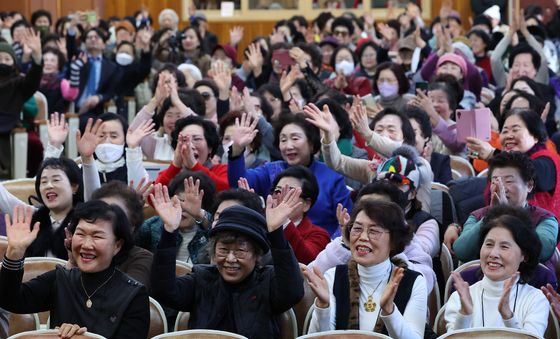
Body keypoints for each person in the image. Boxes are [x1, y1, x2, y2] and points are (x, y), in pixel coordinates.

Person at [150, 184, 304, 339]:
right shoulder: (202, 279)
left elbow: (292, 292)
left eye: (240, 251)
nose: (230, 259)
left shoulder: (267, 282)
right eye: (223, 250)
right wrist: (169, 232)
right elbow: (164, 291)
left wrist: (277, 233)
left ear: (256, 254)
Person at [0, 202, 150, 338]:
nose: (86, 244)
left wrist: (83, 338)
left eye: (97, 236)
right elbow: (10, 300)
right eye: (80, 234)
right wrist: (15, 252)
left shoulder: (133, 294)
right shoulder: (61, 278)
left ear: (117, 245)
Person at [304, 200, 427, 338]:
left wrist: (389, 311)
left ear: (394, 240)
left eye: (373, 231)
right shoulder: (333, 276)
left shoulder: (413, 282)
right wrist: (323, 306)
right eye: (357, 228)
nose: (362, 237)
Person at [227, 113, 353, 237]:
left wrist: (330, 250)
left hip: (321, 248)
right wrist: (237, 149)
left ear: (311, 143)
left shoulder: (331, 176)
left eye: (295, 138)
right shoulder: (271, 170)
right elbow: (239, 183)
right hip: (276, 244)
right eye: (283, 140)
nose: (288, 146)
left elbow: (345, 220)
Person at [444, 205, 549, 337]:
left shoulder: (535, 299)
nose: (493, 254)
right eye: (489, 244)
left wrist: (508, 317)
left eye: (504, 246)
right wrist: (465, 315)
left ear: (524, 255)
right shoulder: (460, 298)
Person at [444, 151, 558, 265]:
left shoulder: (545, 219)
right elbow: (462, 252)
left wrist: (506, 214)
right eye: (495, 181)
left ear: (529, 185)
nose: (502, 188)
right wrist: (492, 215)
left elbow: (542, 251)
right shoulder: (478, 216)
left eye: (509, 181)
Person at [465, 109, 560, 220]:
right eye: (505, 131)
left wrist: (493, 154)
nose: (509, 136)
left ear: (535, 136)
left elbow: (532, 172)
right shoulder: (502, 160)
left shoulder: (548, 160)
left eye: (515, 130)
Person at [0, 156, 83, 259]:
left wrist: (87, 159)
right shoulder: (33, 218)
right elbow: (3, 197)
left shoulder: (84, 220)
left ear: (74, 187)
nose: (49, 185)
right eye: (43, 182)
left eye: (56, 180)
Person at [137, 171, 216, 264]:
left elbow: (218, 229)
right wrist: (131, 210)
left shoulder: (210, 231)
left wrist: (199, 215)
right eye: (179, 201)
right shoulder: (153, 226)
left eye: (190, 203)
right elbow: (126, 241)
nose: (183, 208)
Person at [270, 166, 330, 264]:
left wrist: (283, 220)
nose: (280, 197)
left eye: (290, 193)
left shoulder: (319, 235)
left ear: (306, 204)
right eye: (277, 191)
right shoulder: (261, 225)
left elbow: (307, 260)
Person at [155, 115, 228, 191]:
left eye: (196, 139)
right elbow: (153, 197)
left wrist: (194, 165)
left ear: (210, 147)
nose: (190, 146)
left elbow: (225, 188)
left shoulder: (222, 170)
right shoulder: (169, 173)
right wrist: (175, 165)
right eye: (184, 140)